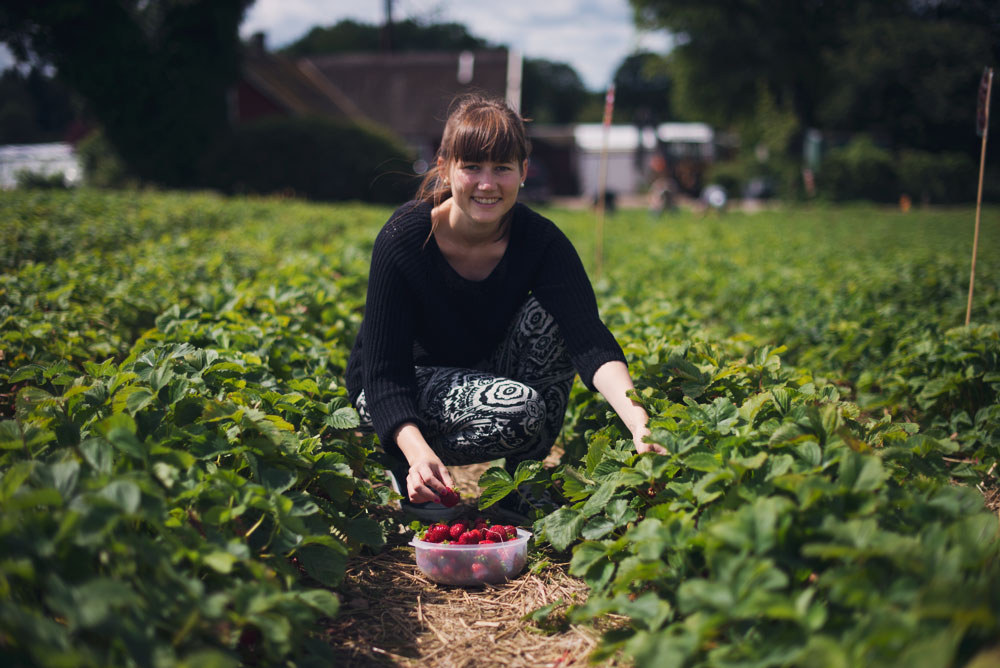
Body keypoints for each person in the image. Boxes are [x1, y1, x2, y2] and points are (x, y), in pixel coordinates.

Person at [345, 94, 664, 521]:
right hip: (391, 390)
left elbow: (588, 339)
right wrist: (416, 451)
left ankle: (521, 485)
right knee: (518, 408)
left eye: (502, 168)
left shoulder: (541, 242)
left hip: (476, 371)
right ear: (445, 166)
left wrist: (639, 420)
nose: (487, 184)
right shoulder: (405, 239)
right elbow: (384, 373)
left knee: (553, 318)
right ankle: (408, 470)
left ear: (523, 172)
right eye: (472, 166)